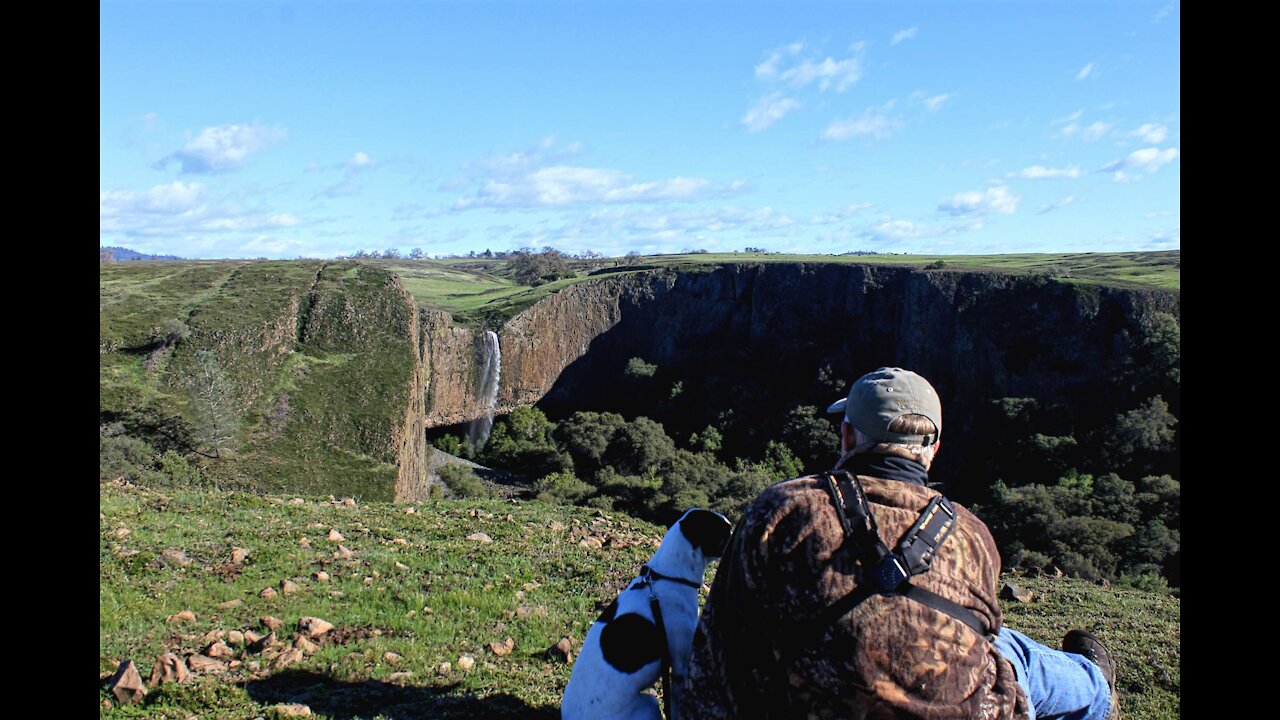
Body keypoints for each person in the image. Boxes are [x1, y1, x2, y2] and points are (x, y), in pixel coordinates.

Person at [679, 367, 1118, 720]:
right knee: (1010, 651)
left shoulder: (783, 509)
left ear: (848, 437)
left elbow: (717, 651)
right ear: (933, 449)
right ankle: (1096, 687)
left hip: (805, 700)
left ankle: (1094, 683)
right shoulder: (973, 534)